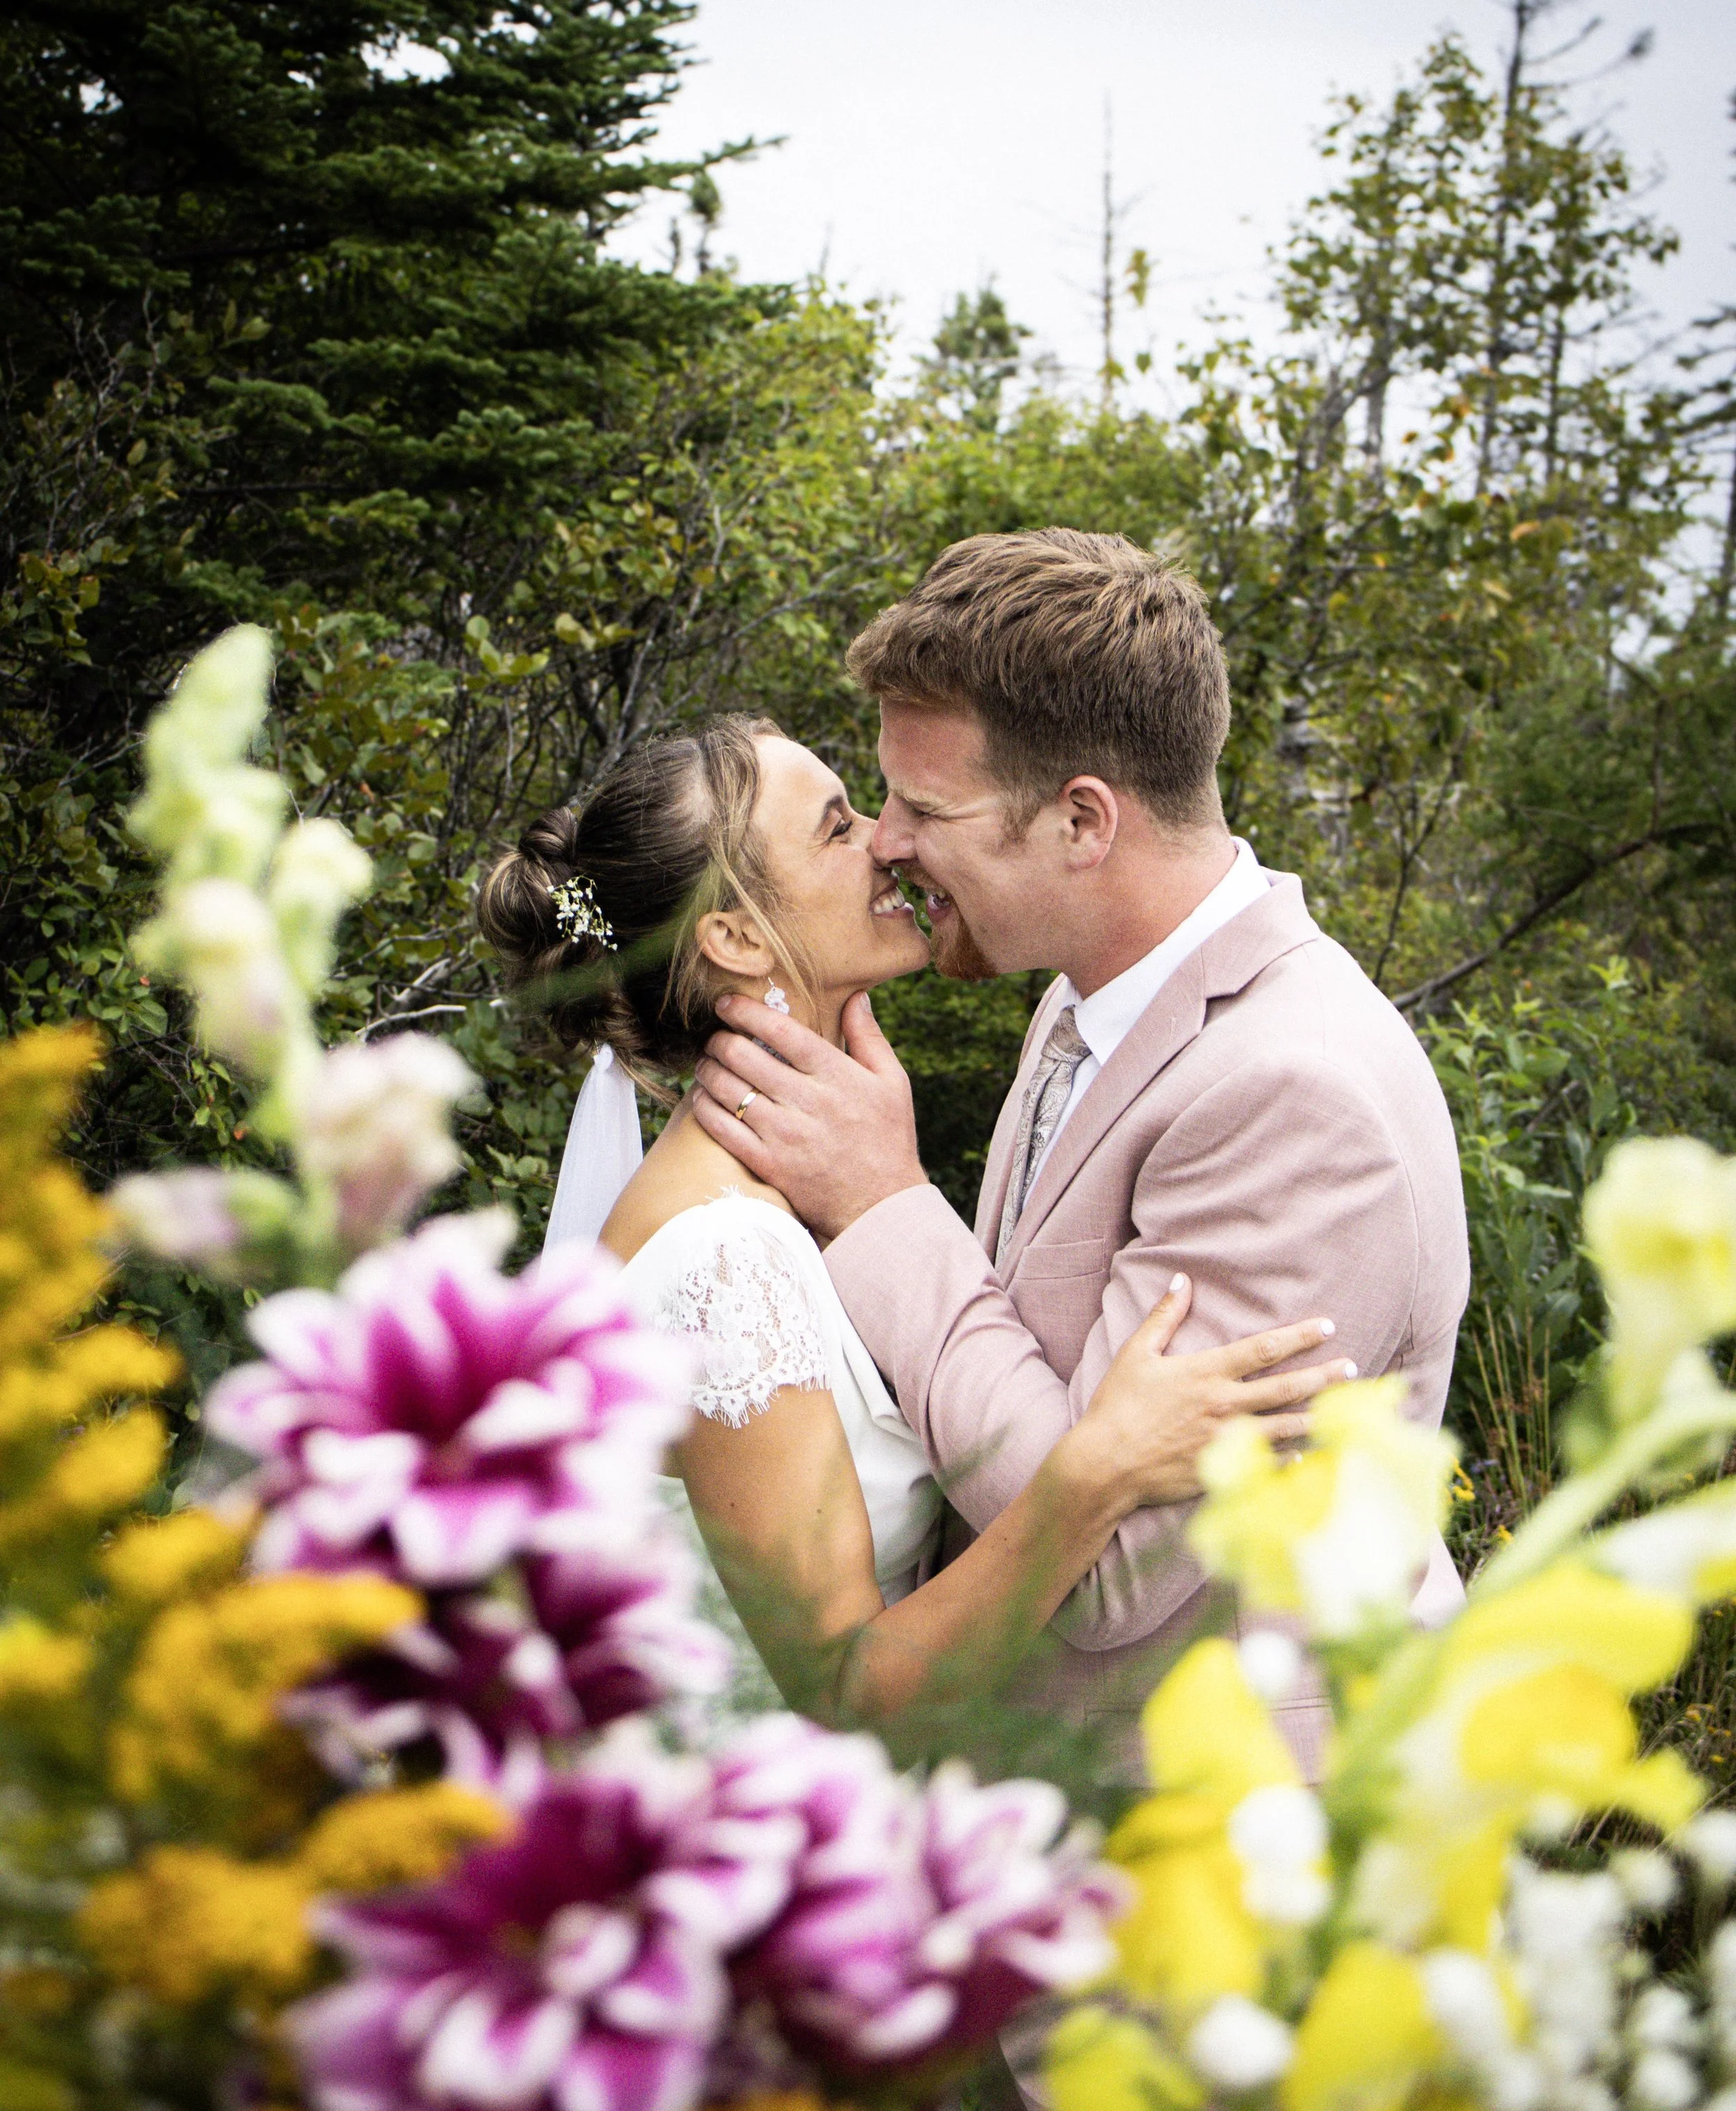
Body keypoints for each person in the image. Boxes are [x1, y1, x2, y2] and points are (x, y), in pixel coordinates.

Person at [689, 531, 1470, 1783]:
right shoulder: (1086, 998)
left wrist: (887, 1203)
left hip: (1226, 1842)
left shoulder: (1294, 1095)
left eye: (925, 807)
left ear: (1083, 820)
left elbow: (1112, 1566)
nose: (887, 842)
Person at [476, 713, 1354, 1742]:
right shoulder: (724, 1259)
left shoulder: (797, 1181)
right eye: (838, 827)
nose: (888, 842)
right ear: (736, 936)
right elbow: (847, 1692)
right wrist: (1100, 1466)